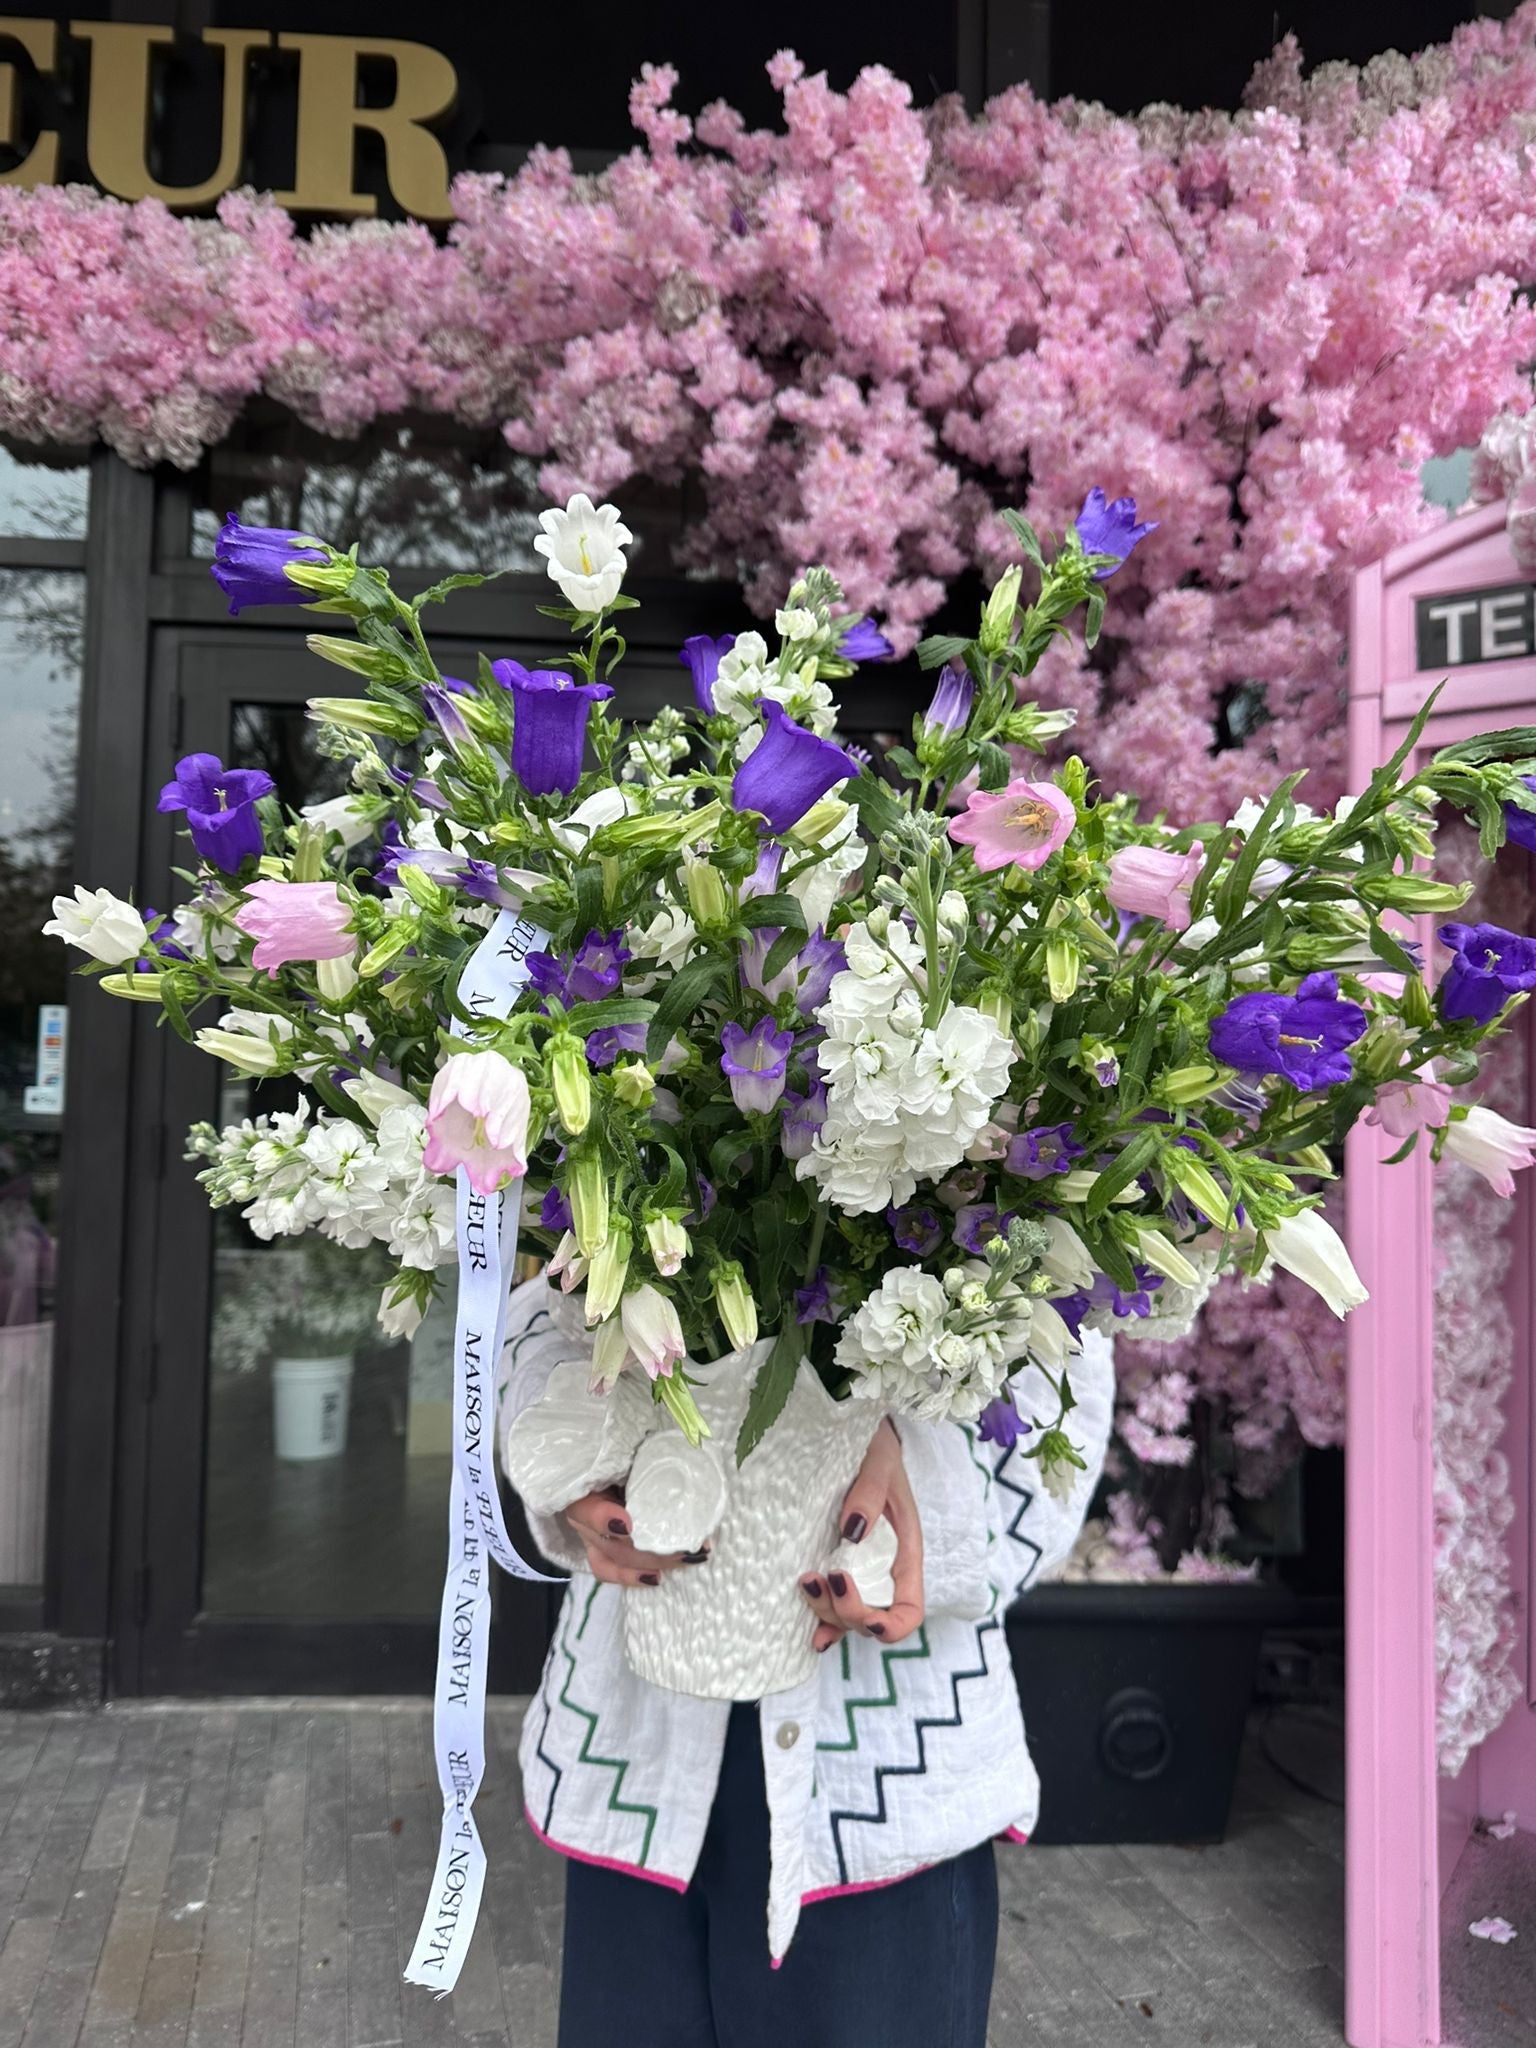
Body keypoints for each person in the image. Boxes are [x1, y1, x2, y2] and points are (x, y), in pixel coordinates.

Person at [500, 1278, 1115, 2048]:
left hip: (884, 1773)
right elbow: (541, 1305)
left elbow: (1063, 1399)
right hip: (633, 1747)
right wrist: (574, 1459)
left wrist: (884, 1478)